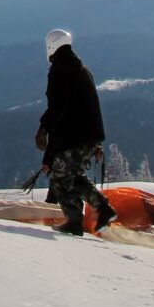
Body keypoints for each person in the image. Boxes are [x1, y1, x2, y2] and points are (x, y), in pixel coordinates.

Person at [35, 28, 117, 236]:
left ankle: (74, 220)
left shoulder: (60, 70)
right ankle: (103, 208)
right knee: (73, 175)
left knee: (60, 178)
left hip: (76, 136)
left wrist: (44, 129)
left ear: (51, 47)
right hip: (88, 135)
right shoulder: (79, 68)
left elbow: (58, 108)